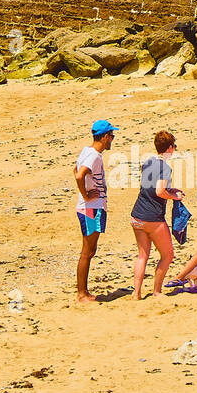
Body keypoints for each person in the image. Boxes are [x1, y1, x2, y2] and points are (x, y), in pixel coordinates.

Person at [130, 130, 183, 299]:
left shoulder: (147, 162)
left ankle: (136, 292)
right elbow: (159, 191)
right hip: (153, 218)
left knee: (142, 255)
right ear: (169, 148)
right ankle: (157, 291)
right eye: (174, 146)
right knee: (167, 255)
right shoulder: (165, 168)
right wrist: (174, 196)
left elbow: (151, 187)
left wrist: (170, 190)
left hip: (137, 214)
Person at [75, 120, 116, 304]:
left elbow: (74, 169)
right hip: (91, 208)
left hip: (90, 207)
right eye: (112, 136)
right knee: (88, 251)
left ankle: (83, 292)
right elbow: (79, 174)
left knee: (89, 250)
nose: (112, 140)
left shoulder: (87, 151)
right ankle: (82, 294)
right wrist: (85, 194)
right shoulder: (95, 156)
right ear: (105, 137)